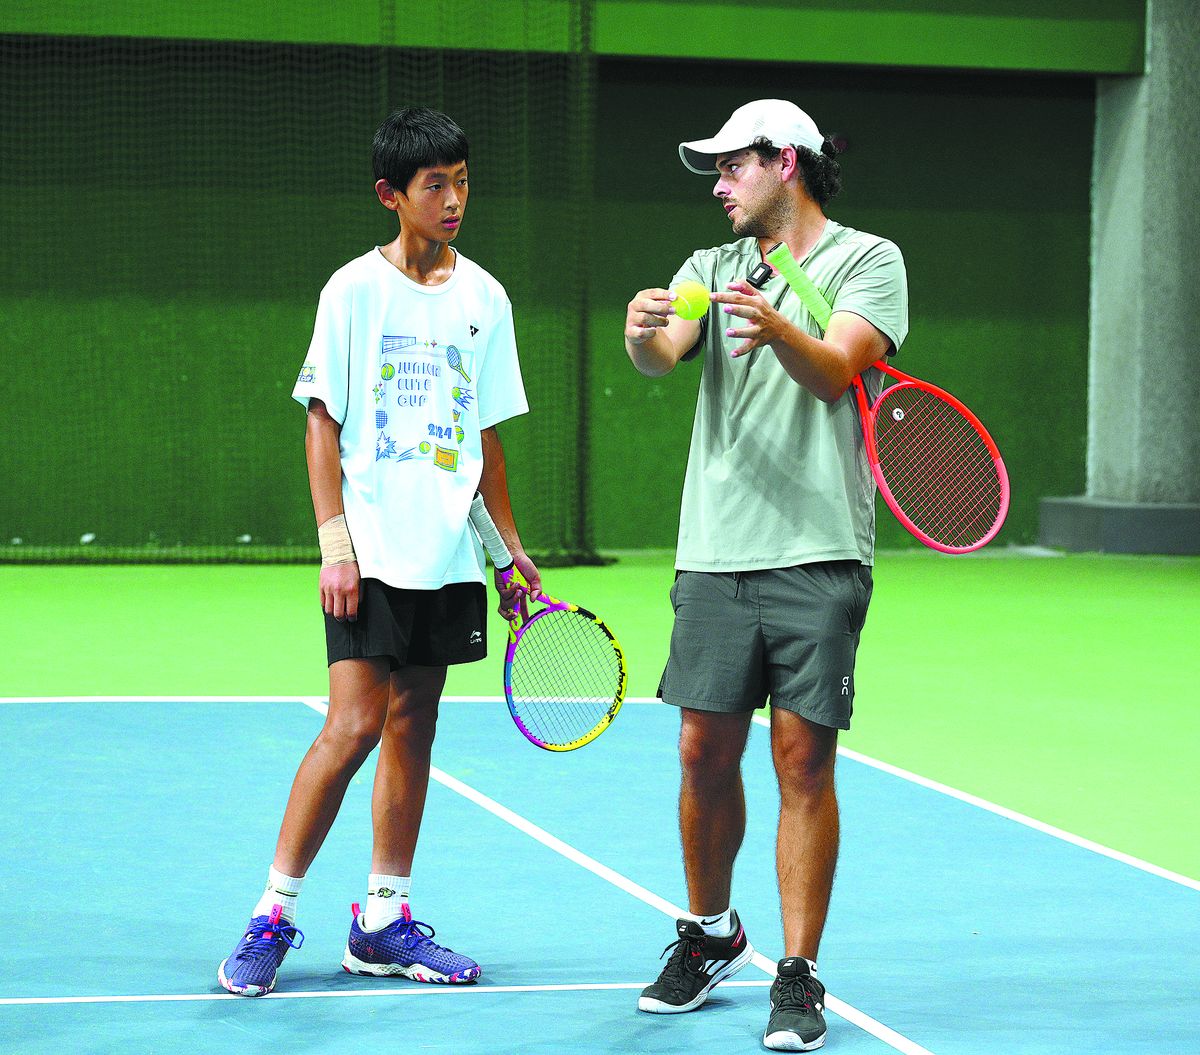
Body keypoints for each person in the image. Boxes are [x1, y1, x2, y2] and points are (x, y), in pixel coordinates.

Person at [218, 107, 539, 997]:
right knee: (354, 723)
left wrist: (508, 554)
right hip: (369, 550)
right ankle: (273, 913)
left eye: (463, 180)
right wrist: (335, 545)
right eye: (435, 184)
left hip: (448, 558)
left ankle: (383, 919)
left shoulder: (486, 298)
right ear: (390, 195)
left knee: (415, 722)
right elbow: (322, 421)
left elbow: (487, 438)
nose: (454, 200)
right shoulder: (352, 291)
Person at [623, 99, 908, 1050]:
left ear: (785, 162)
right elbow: (665, 356)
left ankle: (798, 973)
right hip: (713, 550)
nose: (718, 184)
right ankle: (709, 935)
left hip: (819, 552)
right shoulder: (707, 268)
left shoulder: (870, 260)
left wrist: (776, 319)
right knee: (703, 752)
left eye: (730, 166)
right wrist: (640, 332)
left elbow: (839, 372)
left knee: (801, 762)